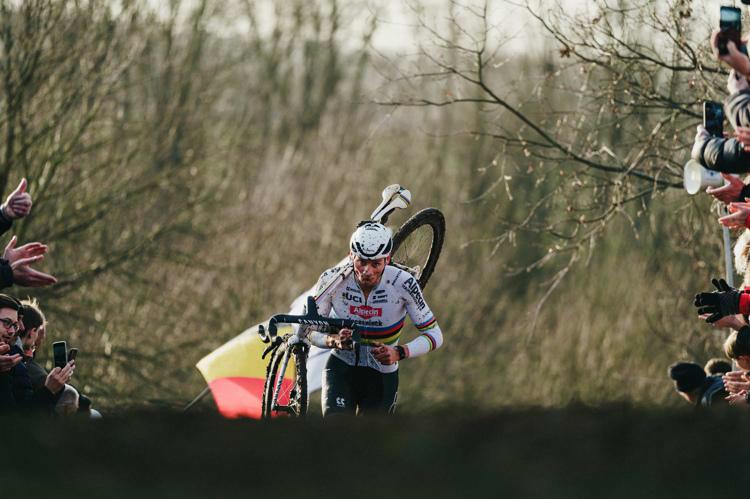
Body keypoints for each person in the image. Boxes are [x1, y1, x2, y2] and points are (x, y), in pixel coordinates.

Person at [306, 221, 443, 416]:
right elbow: (307, 331)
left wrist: (400, 352)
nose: (367, 271)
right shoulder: (332, 280)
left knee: (370, 442)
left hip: (381, 375)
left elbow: (435, 334)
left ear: (387, 259)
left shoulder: (403, 283)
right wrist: (332, 340)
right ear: (350, 255)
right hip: (341, 368)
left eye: (375, 264)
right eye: (361, 262)